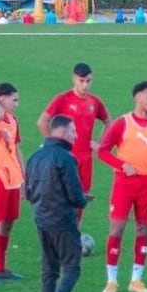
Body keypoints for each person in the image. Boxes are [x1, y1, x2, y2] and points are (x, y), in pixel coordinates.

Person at [96, 80, 147, 292]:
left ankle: (136, 279)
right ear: (137, 98)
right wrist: (121, 165)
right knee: (116, 229)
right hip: (124, 185)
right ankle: (112, 280)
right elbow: (102, 151)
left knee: (143, 230)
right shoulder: (122, 123)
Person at [24, 115, 90, 292]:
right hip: (62, 221)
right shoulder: (66, 158)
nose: (76, 135)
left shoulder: (34, 157)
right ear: (61, 133)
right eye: (73, 131)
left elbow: (29, 193)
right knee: (72, 269)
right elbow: (74, 194)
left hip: (41, 220)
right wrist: (83, 200)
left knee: (49, 270)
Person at [37, 63, 110, 224]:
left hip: (86, 158)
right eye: (81, 81)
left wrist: (99, 144)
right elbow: (42, 121)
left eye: (88, 81)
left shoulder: (95, 102)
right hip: (65, 157)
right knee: (61, 197)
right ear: (74, 79)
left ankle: (73, 233)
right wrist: (53, 145)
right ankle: (59, 234)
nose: (85, 85)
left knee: (81, 199)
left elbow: (108, 122)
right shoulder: (63, 99)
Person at [0, 83, 25, 281]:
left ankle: (0, 267)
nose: (17, 103)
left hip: (12, 180)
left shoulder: (13, 119)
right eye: (14, 99)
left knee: (8, 222)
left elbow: (17, 150)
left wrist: (24, 178)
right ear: (1, 99)